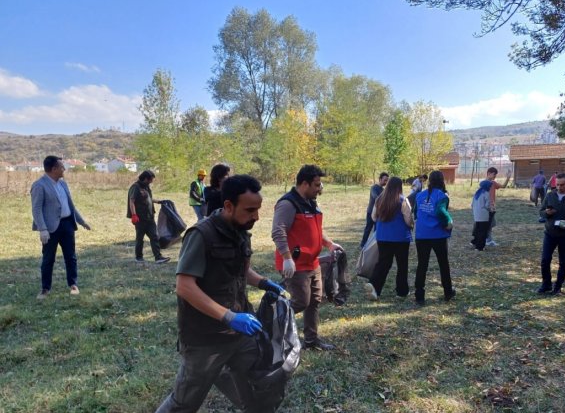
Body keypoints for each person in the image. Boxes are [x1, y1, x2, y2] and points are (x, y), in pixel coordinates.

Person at [155, 175, 286, 413]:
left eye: (258, 209)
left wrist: (265, 283)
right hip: (205, 338)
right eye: (250, 210)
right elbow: (185, 286)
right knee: (184, 403)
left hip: (241, 334)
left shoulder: (240, 230)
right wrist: (229, 317)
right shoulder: (201, 235)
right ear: (228, 206)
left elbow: (242, 270)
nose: (256, 216)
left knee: (260, 390)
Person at [272, 165, 343, 351]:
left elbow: (316, 230)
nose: (319, 189)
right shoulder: (288, 204)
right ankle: (270, 324)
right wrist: (287, 258)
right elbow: (278, 231)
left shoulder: (311, 202)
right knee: (301, 301)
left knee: (314, 301)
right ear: (304, 184)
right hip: (294, 265)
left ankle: (311, 341)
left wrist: (329, 244)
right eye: (316, 185)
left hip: (312, 262)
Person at [31, 156, 91, 299]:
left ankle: (73, 284)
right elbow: (36, 209)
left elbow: (70, 205)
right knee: (48, 259)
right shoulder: (39, 185)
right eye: (62, 167)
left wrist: (82, 221)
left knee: (71, 257)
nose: (64, 169)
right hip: (50, 228)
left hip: (67, 225)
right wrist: (43, 229)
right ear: (54, 169)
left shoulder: (63, 184)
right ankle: (45, 289)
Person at [364, 177, 413, 300]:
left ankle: (375, 286)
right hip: (400, 238)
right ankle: (402, 291)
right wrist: (412, 225)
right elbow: (408, 218)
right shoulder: (403, 200)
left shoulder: (379, 199)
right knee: (402, 265)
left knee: (383, 263)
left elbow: (374, 217)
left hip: (383, 237)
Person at [414, 170, 454, 305]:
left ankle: (419, 295)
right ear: (442, 180)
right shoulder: (442, 196)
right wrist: (449, 222)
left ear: (430, 180)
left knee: (422, 265)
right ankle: (448, 292)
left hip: (421, 235)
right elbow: (440, 211)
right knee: (443, 264)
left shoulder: (420, 195)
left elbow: (415, 213)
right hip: (438, 235)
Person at [127, 170, 170, 264]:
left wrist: (159, 201)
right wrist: (134, 215)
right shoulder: (135, 187)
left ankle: (158, 257)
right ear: (145, 178)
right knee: (140, 238)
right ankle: (139, 257)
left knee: (154, 237)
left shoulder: (146, 187)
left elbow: (149, 199)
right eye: (150, 180)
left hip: (149, 217)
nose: (151, 182)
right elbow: (132, 201)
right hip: (140, 218)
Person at [360, 172, 389, 248]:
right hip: (371, 212)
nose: (386, 182)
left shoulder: (383, 190)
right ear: (380, 179)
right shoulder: (374, 188)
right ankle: (363, 244)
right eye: (384, 180)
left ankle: (374, 245)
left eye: (387, 181)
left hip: (379, 213)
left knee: (377, 230)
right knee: (368, 229)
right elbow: (376, 198)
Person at [485, 167, 511, 247]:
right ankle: (488, 240)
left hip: (492, 207)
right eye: (494, 174)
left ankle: (487, 239)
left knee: (491, 223)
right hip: (486, 207)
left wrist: (508, 178)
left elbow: (503, 186)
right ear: (489, 173)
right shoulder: (484, 183)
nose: (495, 176)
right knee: (488, 223)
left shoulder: (493, 183)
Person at [471, 180, 493, 251]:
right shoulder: (486, 193)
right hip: (483, 216)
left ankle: (476, 245)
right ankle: (480, 247)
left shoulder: (476, 194)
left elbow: (472, 205)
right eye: (490, 186)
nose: (490, 188)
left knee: (477, 231)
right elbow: (487, 205)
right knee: (483, 232)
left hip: (476, 215)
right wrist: (491, 209)